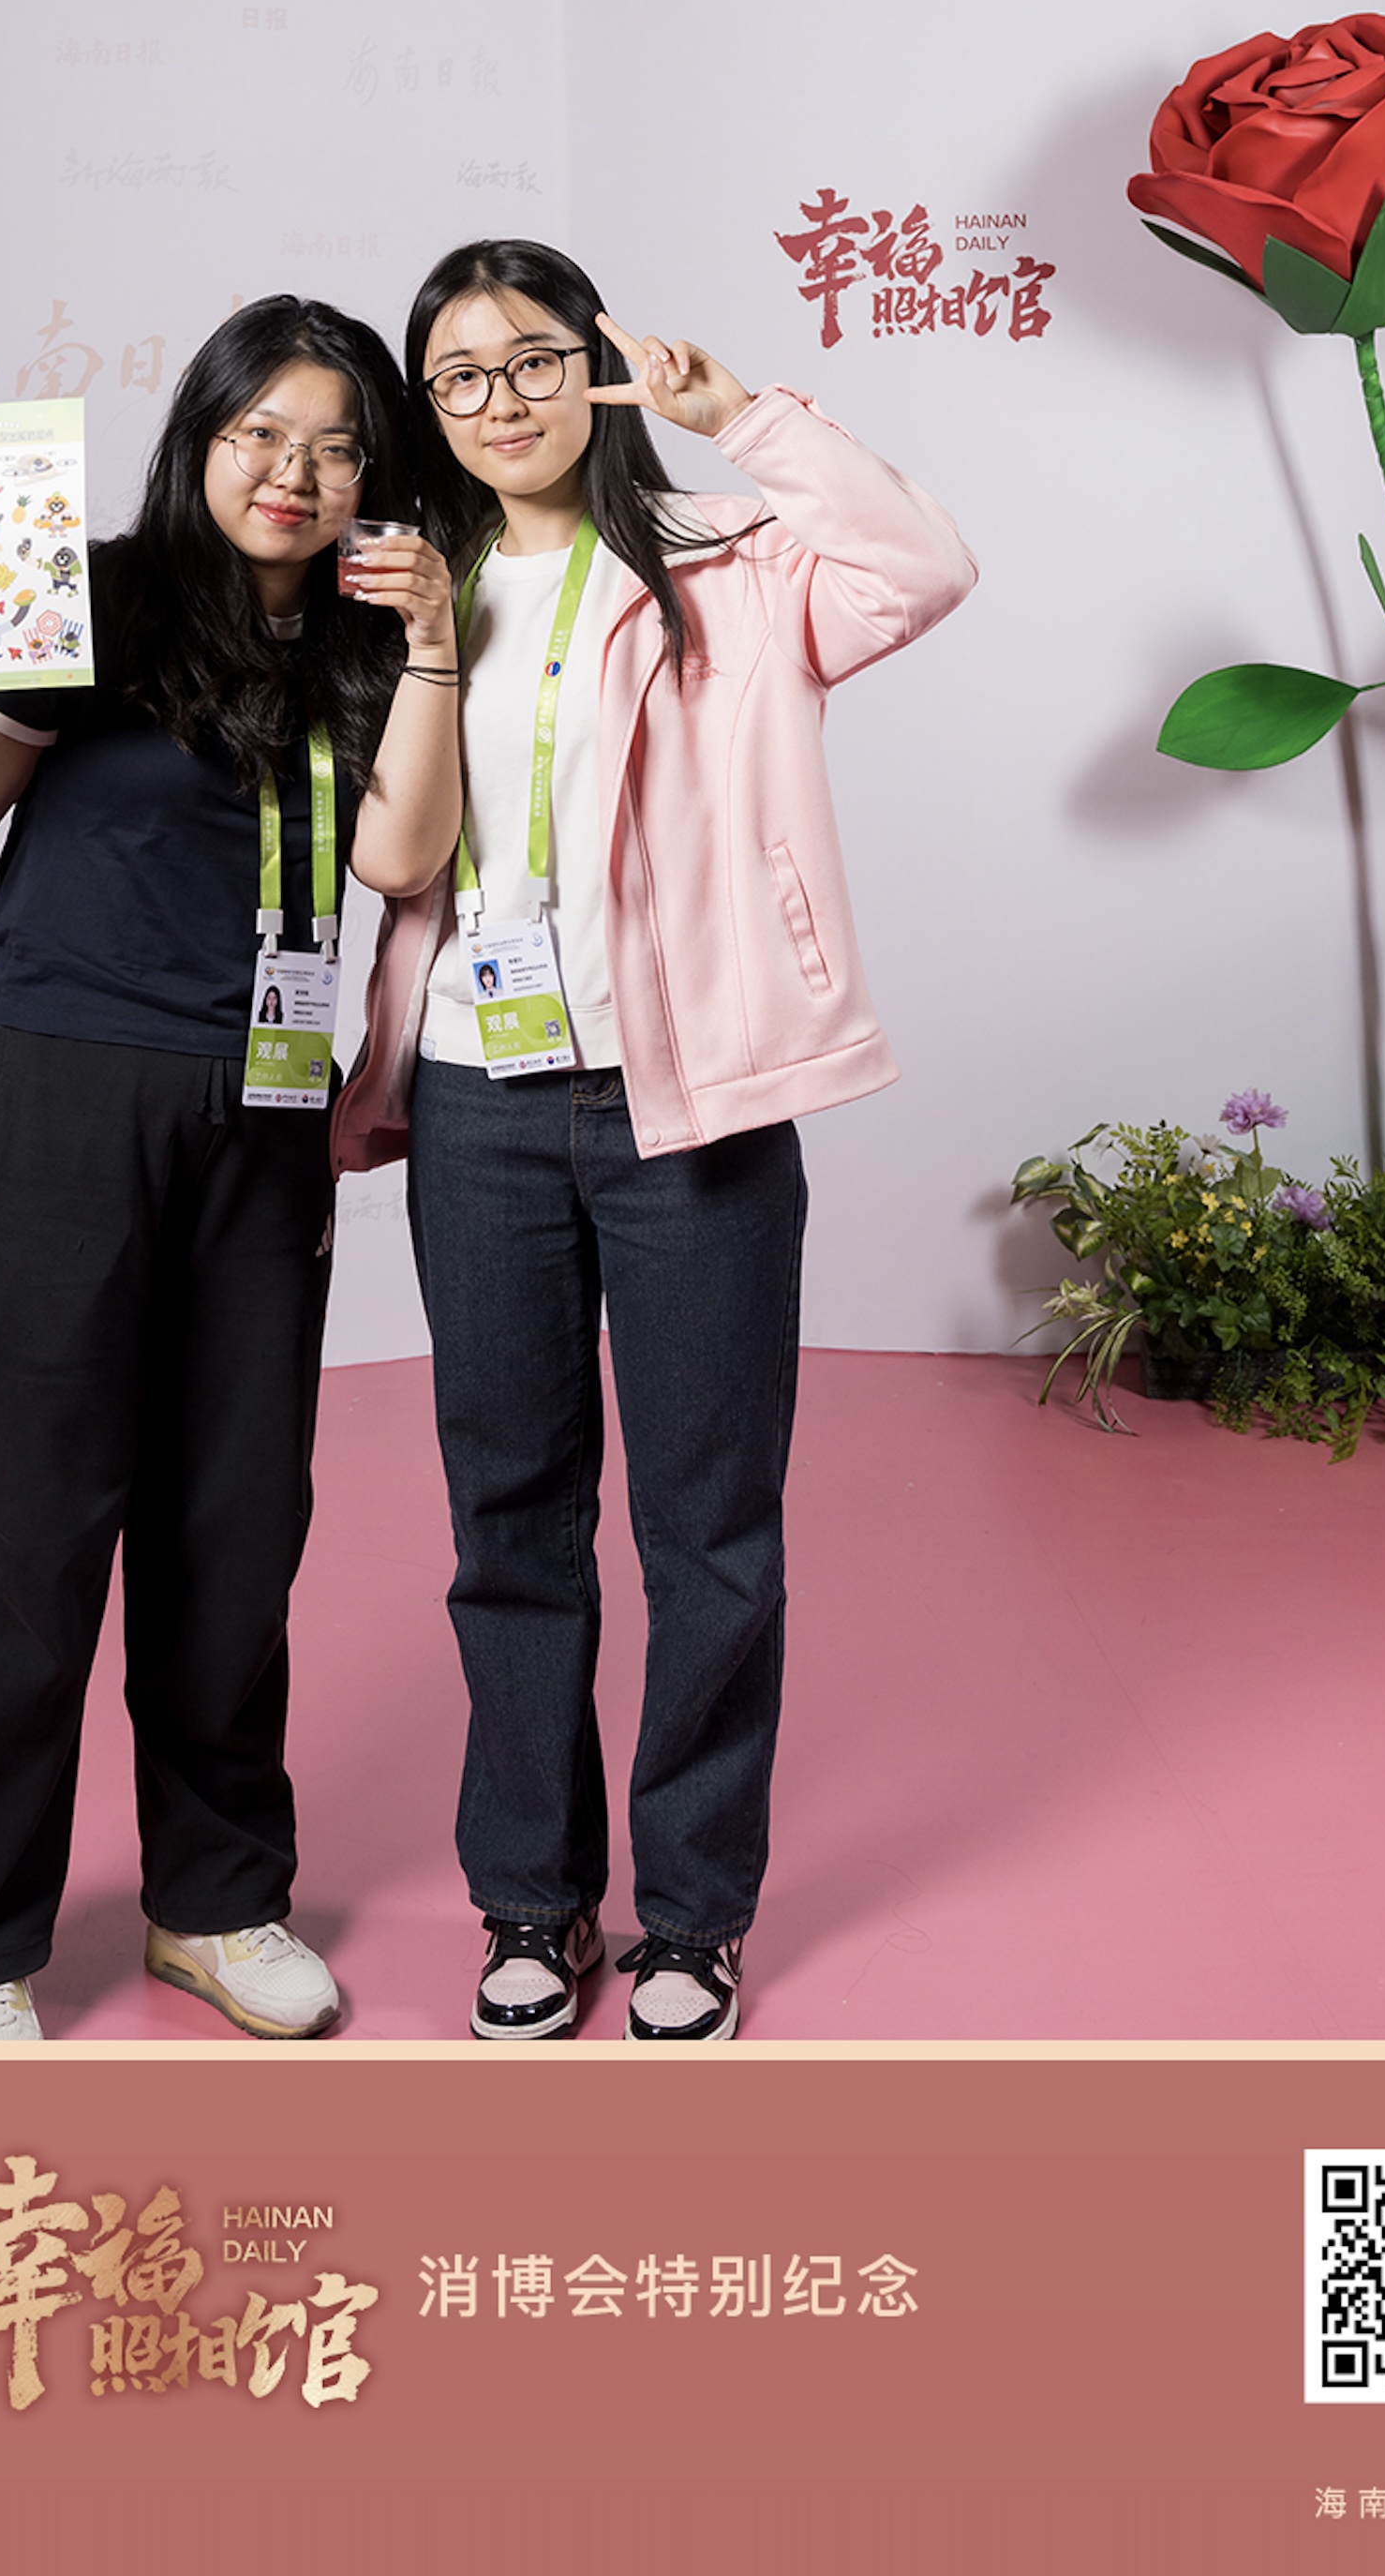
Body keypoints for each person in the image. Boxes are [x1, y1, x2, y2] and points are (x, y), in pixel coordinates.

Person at [335, 240, 976, 2043]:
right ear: (428, 409)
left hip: (689, 1099)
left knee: (711, 1530)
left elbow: (925, 567)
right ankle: (531, 1901)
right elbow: (385, 842)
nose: (502, 402)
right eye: (459, 377)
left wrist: (746, 416)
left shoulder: (728, 558)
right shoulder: (415, 585)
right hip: (478, 1100)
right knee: (510, 1520)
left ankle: (693, 1914)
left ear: (598, 362)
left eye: (535, 358)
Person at [0, 300, 459, 2042]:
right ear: (201, 437)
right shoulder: (93, 594)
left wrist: (429, 644)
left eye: (336, 446)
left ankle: (215, 1901)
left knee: (235, 1527)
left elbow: (402, 855)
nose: (294, 474)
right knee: (22, 1532)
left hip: (262, 1116)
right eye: (261, 433)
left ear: (374, 474)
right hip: (56, 1093)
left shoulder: (372, 635)